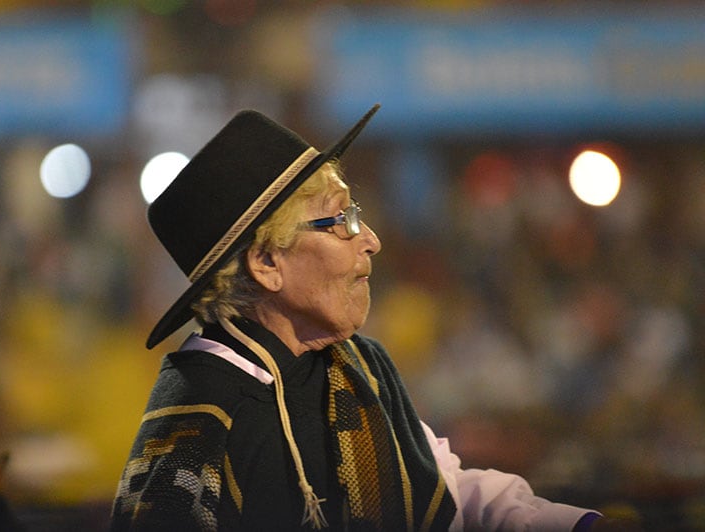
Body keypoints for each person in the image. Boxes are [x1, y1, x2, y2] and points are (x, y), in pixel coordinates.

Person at [111, 105, 636, 531]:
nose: (371, 241)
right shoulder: (196, 423)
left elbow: (447, 490)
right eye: (341, 219)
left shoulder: (356, 366)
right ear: (267, 262)